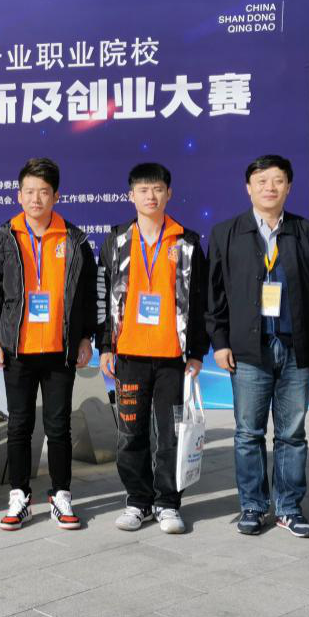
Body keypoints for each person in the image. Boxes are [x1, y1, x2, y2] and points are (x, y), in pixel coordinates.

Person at [207, 154, 309, 538]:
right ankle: (252, 505)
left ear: (289, 187)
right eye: (262, 180)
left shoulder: (308, 233)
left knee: (292, 434)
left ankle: (288, 508)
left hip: (297, 350)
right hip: (249, 352)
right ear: (248, 188)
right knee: (248, 434)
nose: (270, 187)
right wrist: (220, 342)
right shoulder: (226, 233)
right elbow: (214, 296)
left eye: (278, 180)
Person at [0, 157, 97, 531]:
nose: (35, 199)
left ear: (56, 196)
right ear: (19, 195)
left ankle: (61, 494)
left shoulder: (75, 239)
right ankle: (19, 495)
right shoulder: (4, 238)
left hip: (60, 349)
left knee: (58, 426)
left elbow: (88, 293)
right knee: (19, 425)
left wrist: (86, 336)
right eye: (29, 192)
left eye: (43, 192)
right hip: (18, 348)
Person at [97, 163, 208, 534]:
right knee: (131, 434)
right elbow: (102, 297)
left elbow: (200, 301)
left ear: (169, 193)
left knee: (171, 435)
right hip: (129, 356)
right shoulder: (116, 242)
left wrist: (196, 352)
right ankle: (137, 501)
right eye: (143, 190)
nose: (151, 196)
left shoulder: (186, 242)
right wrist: (106, 346)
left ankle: (168, 503)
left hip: (172, 359)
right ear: (131, 195)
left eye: (158, 189)